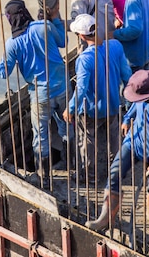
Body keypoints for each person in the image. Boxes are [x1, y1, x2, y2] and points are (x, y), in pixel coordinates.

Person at [0, 0, 74, 188]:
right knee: (67, 125)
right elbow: (63, 40)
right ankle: (73, 166)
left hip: (40, 94)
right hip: (62, 86)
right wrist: (55, 18)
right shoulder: (43, 27)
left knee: (40, 135)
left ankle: (43, 178)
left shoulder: (12, 44)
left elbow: (2, 72)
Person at [85, 69, 149, 233]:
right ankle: (107, 215)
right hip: (134, 141)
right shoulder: (144, 95)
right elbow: (135, 106)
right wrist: (126, 119)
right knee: (114, 172)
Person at [63, 14, 131, 184]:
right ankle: (117, 172)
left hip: (91, 112)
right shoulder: (115, 46)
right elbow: (126, 76)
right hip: (113, 104)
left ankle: (90, 177)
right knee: (114, 140)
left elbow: (81, 90)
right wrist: (130, 104)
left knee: (88, 144)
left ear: (82, 36)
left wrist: (70, 109)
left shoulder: (84, 59)